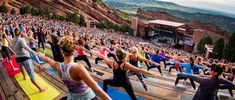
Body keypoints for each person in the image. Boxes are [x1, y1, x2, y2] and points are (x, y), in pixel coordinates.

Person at [38, 36, 111, 100]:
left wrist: (41, 55)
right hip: (88, 97)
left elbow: (47, 59)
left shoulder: (57, 66)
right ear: (73, 49)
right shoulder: (78, 68)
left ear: (61, 51)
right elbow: (97, 89)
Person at [93, 48, 159, 100]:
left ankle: (104, 96)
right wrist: (152, 73)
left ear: (116, 56)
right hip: (125, 83)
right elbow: (140, 70)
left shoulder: (111, 63)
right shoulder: (126, 64)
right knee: (133, 97)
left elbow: (103, 57)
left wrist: (96, 52)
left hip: (115, 82)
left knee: (105, 81)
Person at [12, 28, 47, 92]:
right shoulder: (21, 39)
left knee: (21, 67)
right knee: (31, 74)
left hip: (18, 58)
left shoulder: (12, 39)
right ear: (20, 33)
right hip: (25, 58)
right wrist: (34, 52)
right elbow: (26, 47)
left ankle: (24, 76)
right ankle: (40, 88)